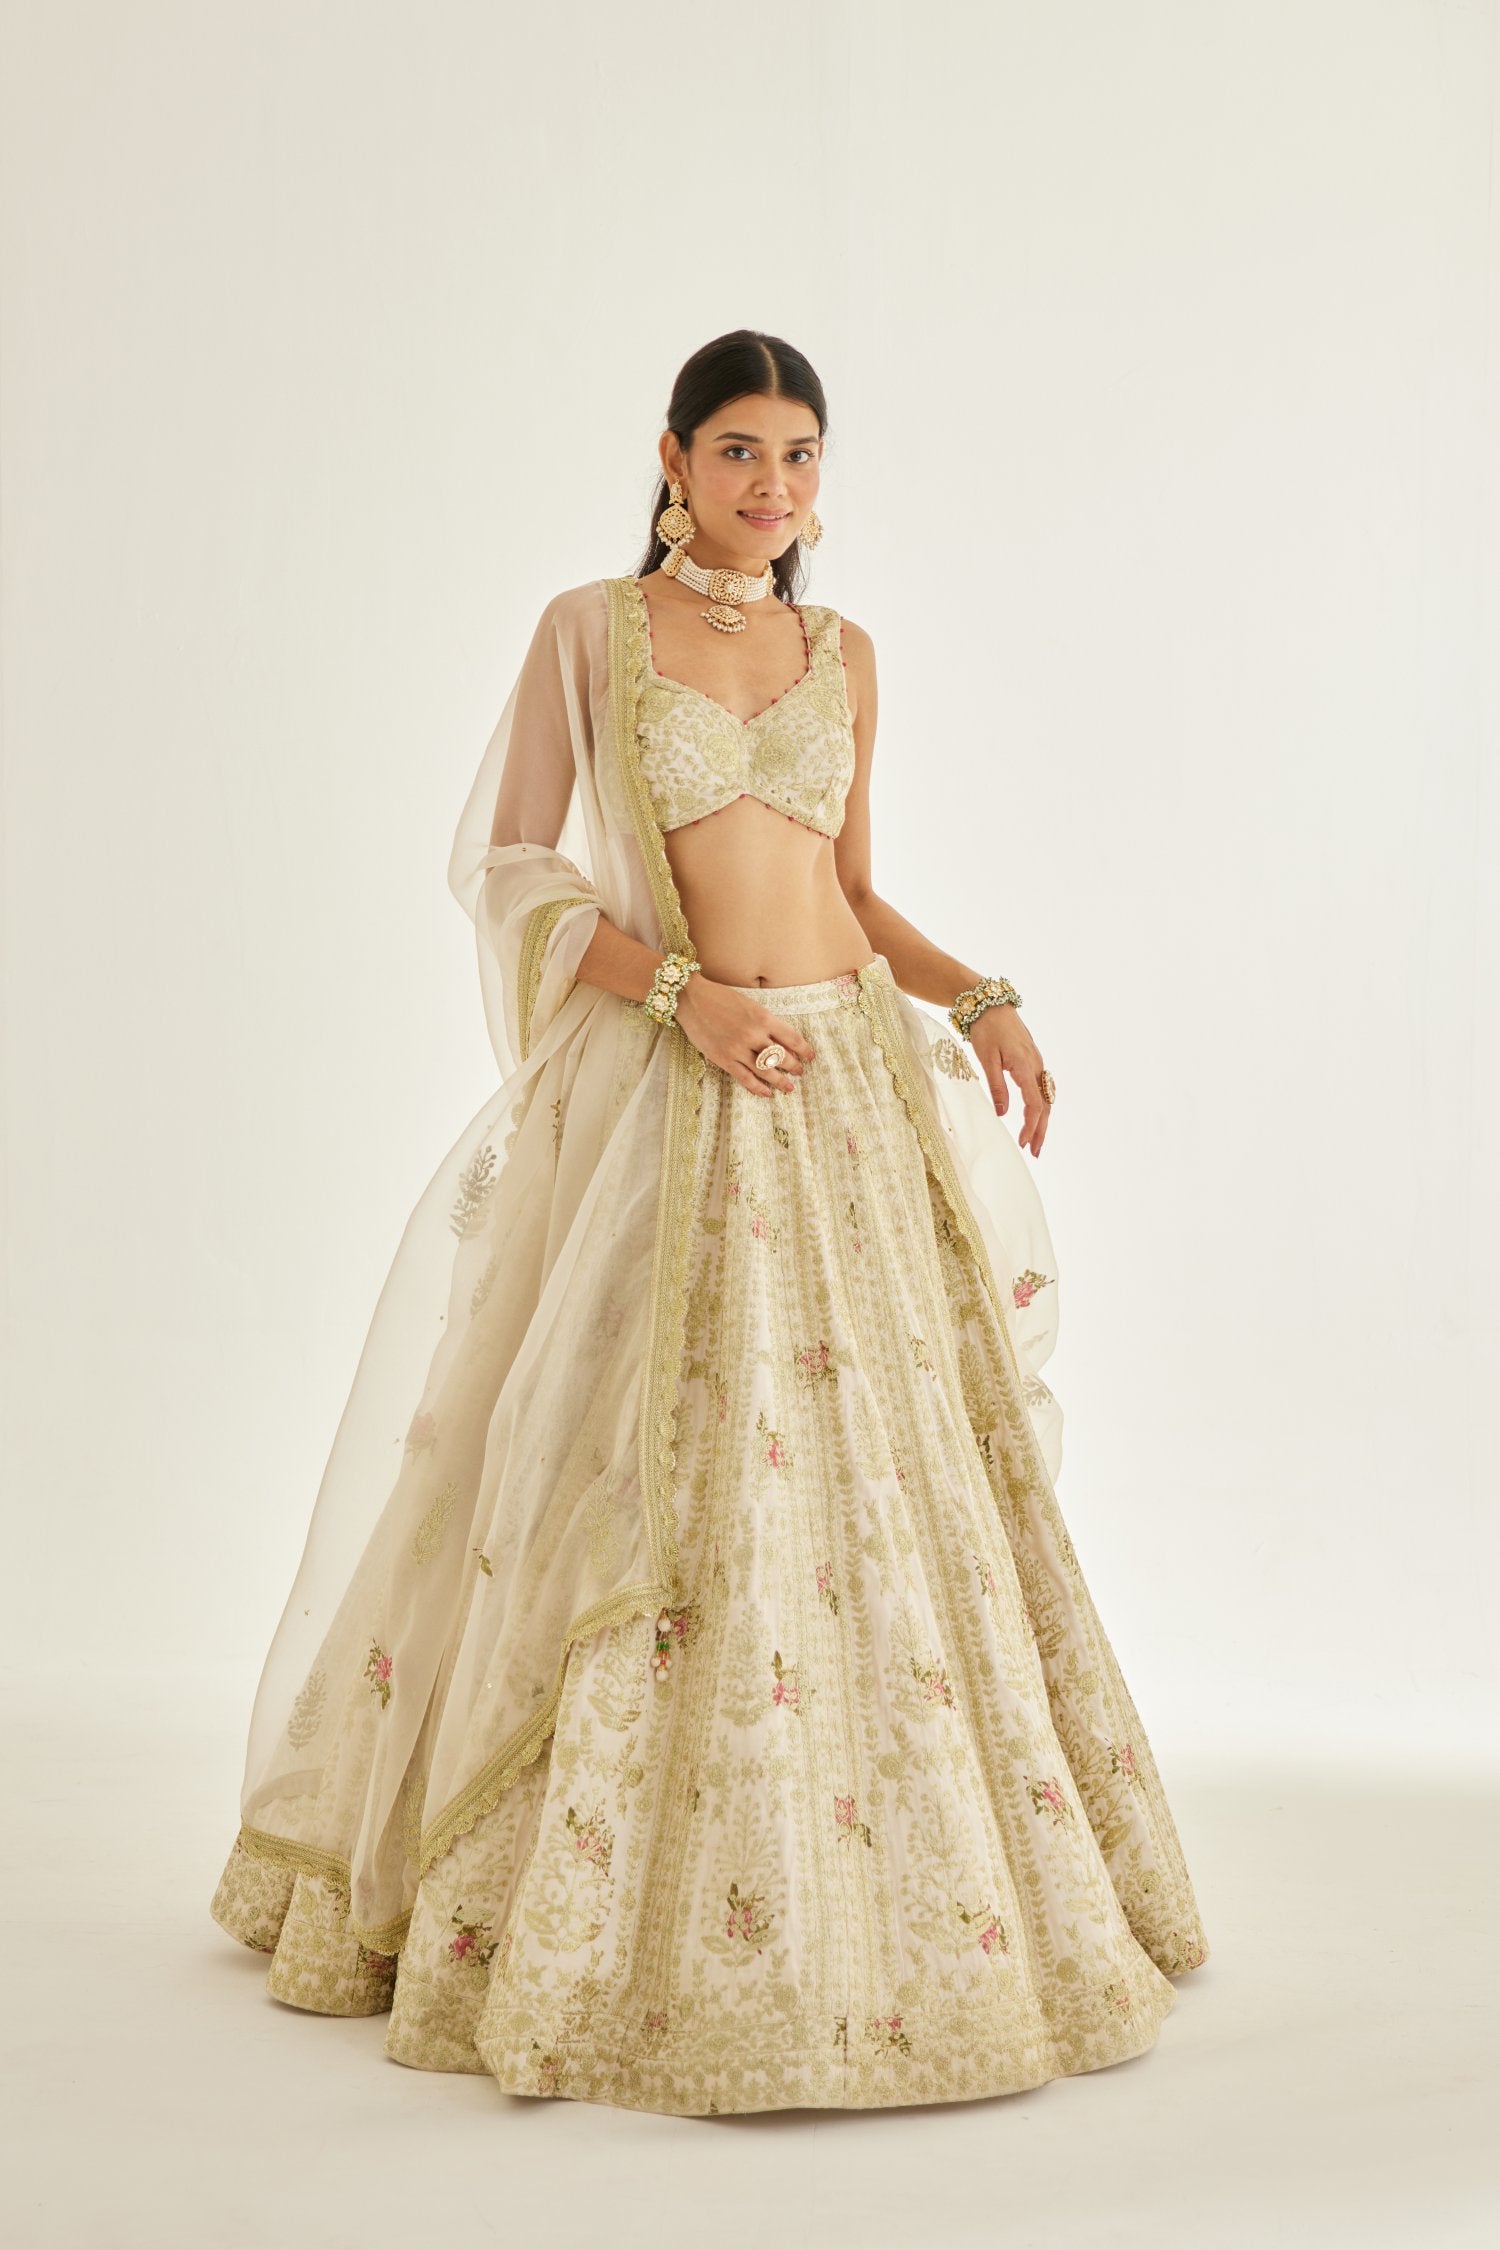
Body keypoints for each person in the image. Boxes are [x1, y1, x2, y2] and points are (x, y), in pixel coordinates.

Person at [211, 328, 1209, 2115]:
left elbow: (850, 888)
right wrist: (684, 997)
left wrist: (981, 995)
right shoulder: (590, 632)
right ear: (671, 459)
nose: (775, 485)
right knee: (629, 1464)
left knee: (880, 1480)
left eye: (802, 455)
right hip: (684, 1081)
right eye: (741, 449)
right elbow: (514, 869)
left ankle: (908, 1880)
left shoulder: (846, 653)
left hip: (843, 1085)